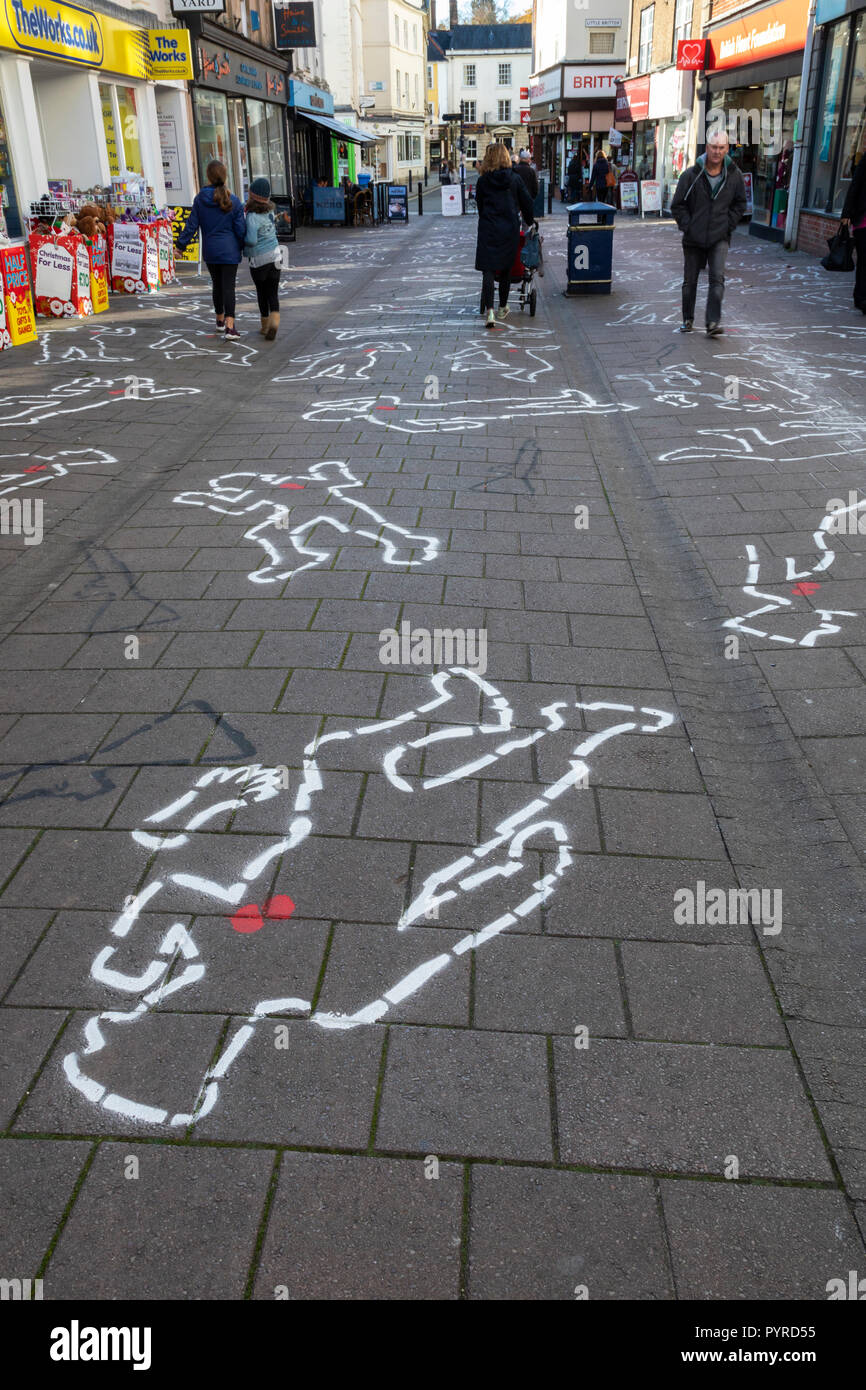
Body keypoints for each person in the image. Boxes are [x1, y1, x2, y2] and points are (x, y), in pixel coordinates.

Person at [670, 130, 746, 337]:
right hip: (693, 238)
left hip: (719, 236)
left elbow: (740, 204)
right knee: (690, 282)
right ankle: (688, 319)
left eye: (721, 148)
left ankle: (712, 322)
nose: (717, 152)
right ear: (707, 147)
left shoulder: (734, 175)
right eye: (713, 147)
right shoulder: (691, 175)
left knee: (717, 279)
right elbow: (677, 206)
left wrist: (728, 225)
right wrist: (688, 225)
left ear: (727, 149)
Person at [177, 160, 245, 340]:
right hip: (230, 251)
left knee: (217, 285)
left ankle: (219, 320)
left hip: (211, 251)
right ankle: (231, 327)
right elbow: (240, 229)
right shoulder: (234, 201)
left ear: (208, 176)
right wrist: (244, 246)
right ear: (225, 176)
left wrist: (181, 246)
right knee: (229, 286)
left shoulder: (200, 199)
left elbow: (191, 224)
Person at [474, 142, 536, 329]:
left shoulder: (483, 180)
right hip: (509, 228)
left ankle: (490, 311)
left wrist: (487, 216)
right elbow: (527, 203)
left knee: (488, 269)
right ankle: (502, 307)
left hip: (488, 227)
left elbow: (480, 205)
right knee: (506, 269)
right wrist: (529, 219)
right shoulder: (514, 179)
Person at [243, 177, 281, 342]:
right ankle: (275, 322)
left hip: (258, 259)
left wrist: (242, 239)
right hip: (276, 255)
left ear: (253, 196)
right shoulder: (270, 210)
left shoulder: (252, 216)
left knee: (261, 291)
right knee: (273, 291)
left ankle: (265, 325)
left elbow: (251, 240)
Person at [840, 154, 866, 315]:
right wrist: (846, 214)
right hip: (863, 222)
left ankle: (861, 297)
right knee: (864, 261)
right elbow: (854, 186)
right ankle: (861, 298)